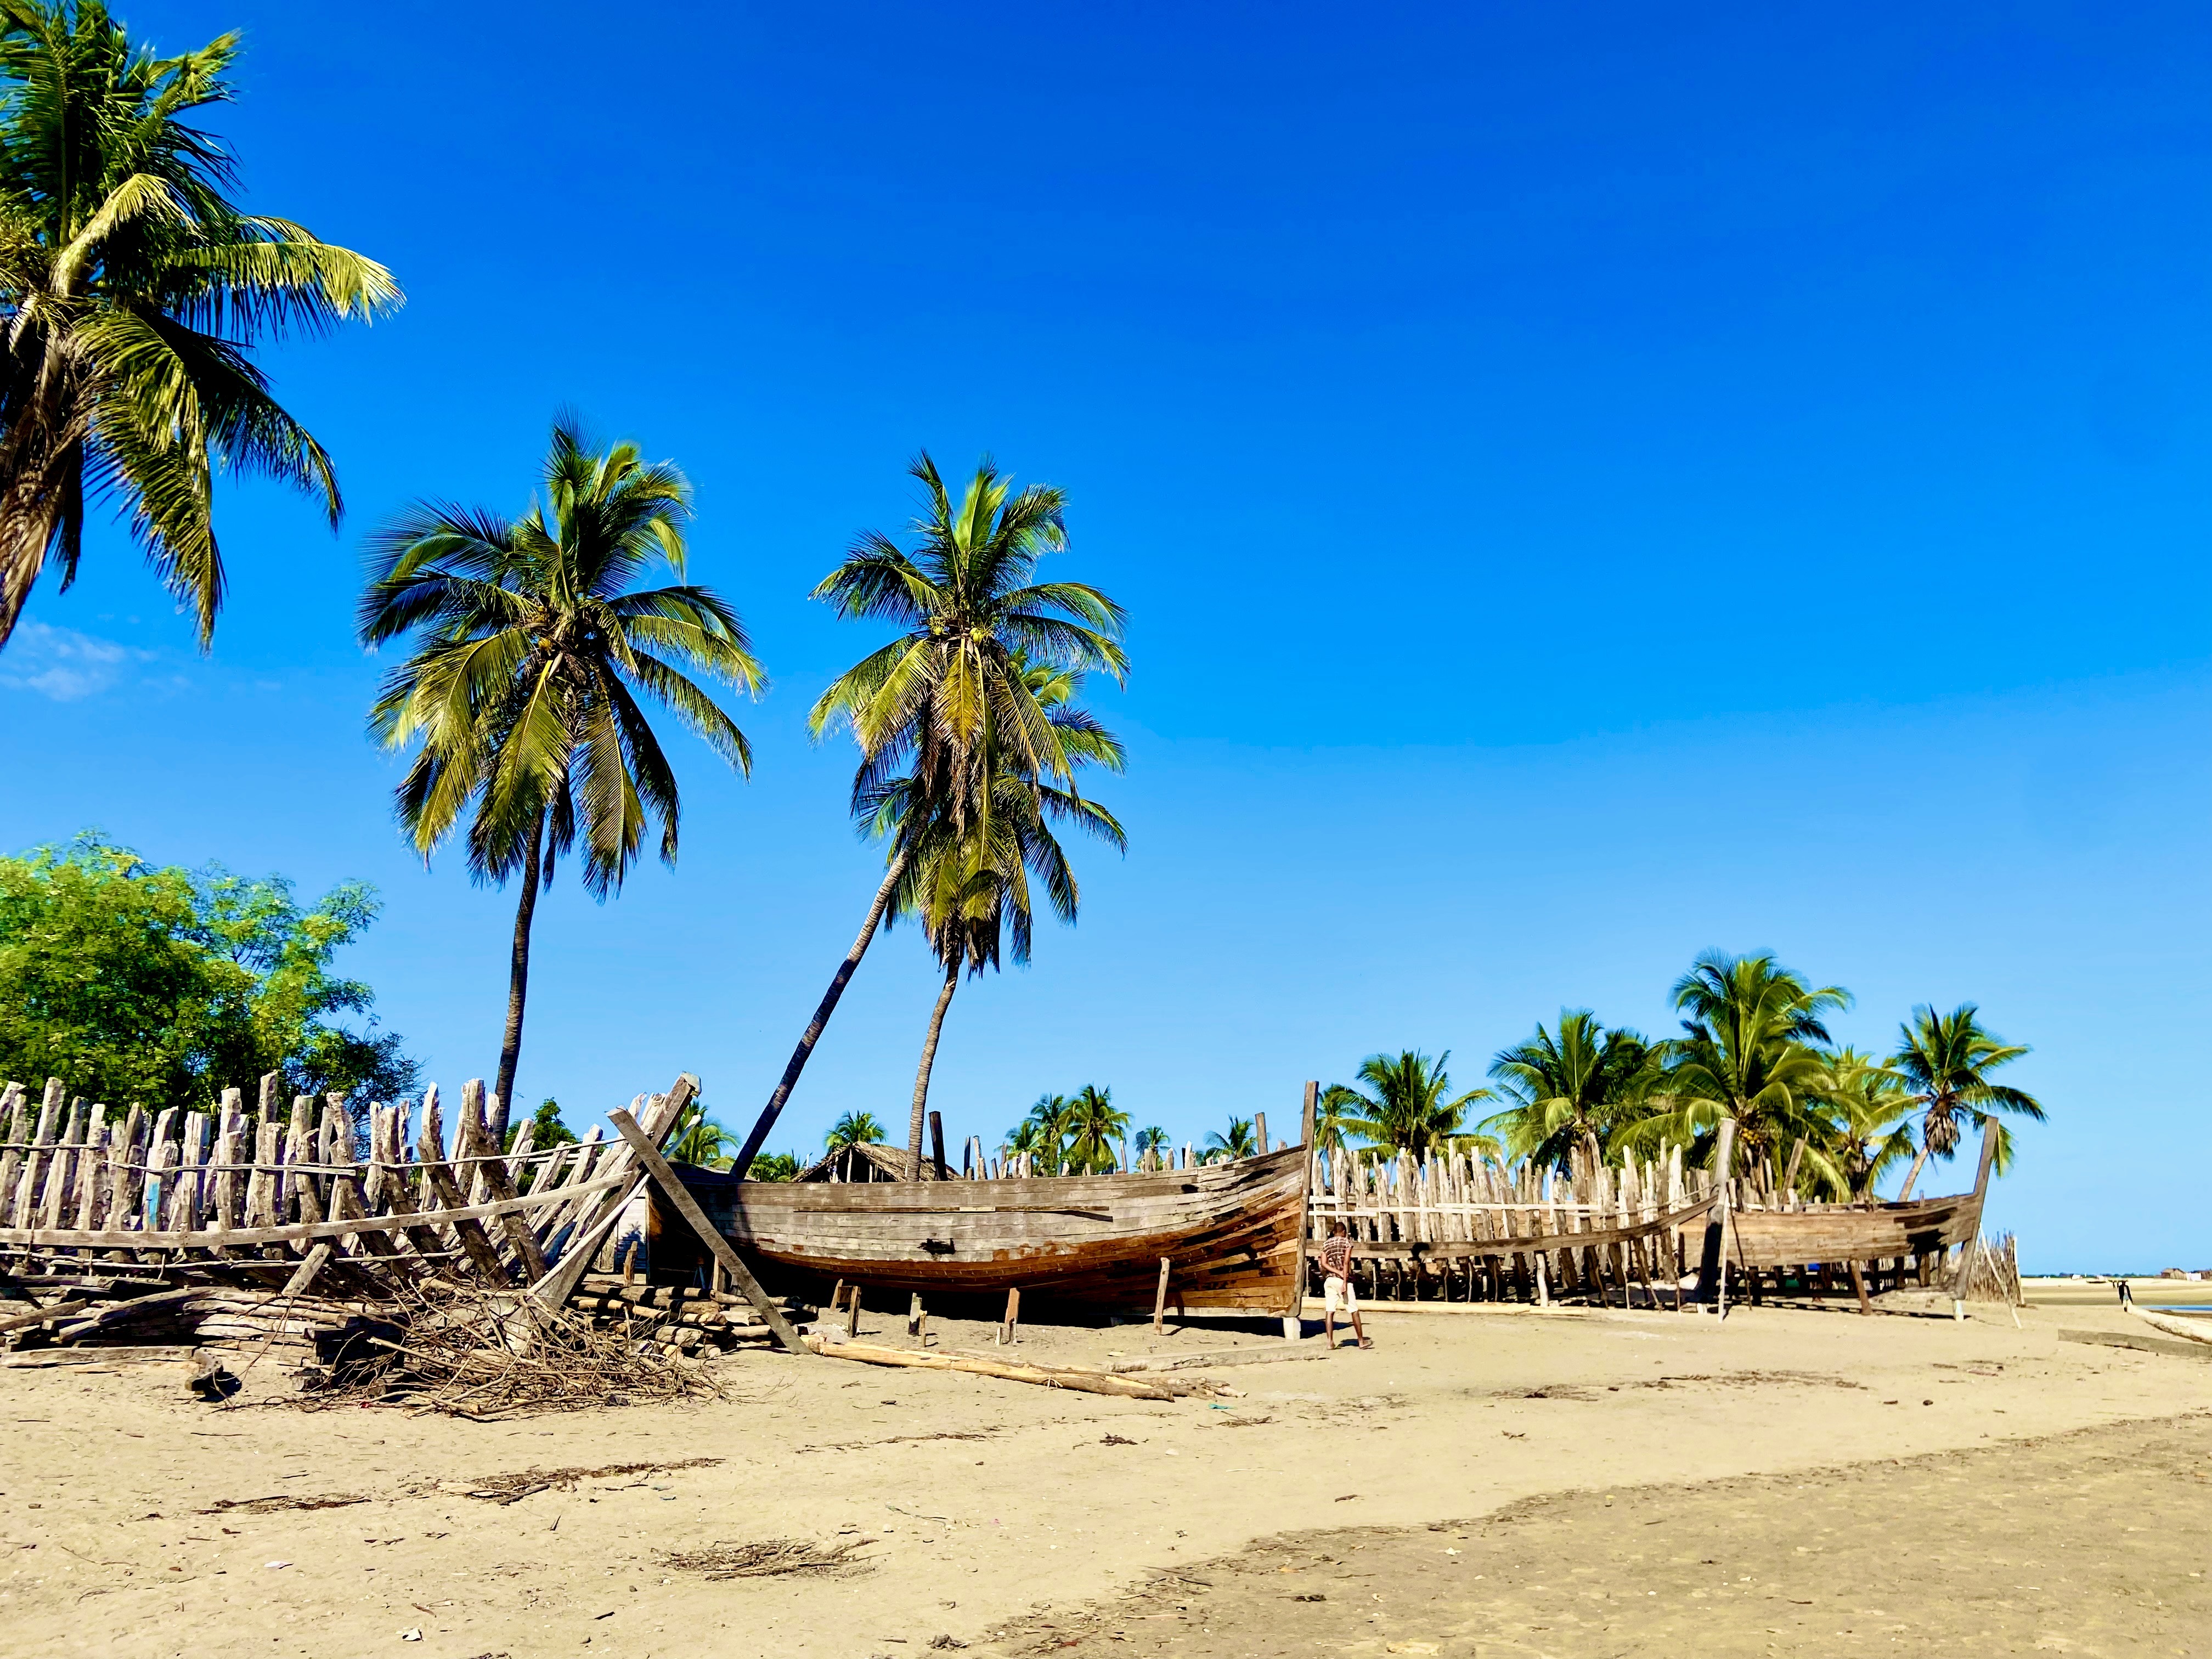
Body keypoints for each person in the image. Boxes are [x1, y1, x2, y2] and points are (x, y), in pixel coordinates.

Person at [1319, 1221, 1370, 1350]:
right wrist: (1344, 1280)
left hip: (1330, 1280)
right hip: (1342, 1280)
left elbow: (1324, 1264)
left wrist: (1336, 1272)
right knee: (1354, 1310)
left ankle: (1330, 1342)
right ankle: (1361, 1341)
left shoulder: (1326, 1244)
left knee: (1330, 1311)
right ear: (1344, 1232)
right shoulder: (1346, 1242)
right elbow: (1346, 1261)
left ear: (1333, 1232)